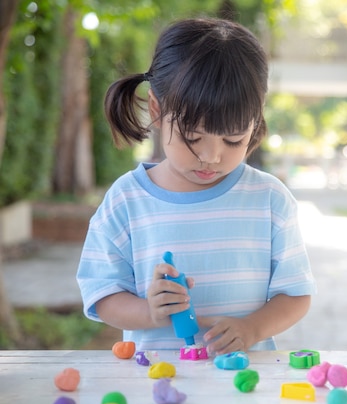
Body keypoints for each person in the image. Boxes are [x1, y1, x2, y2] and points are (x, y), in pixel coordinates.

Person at [76, 17, 315, 354]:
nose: (211, 156)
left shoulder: (269, 200)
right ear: (157, 111)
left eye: (233, 140)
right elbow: (102, 294)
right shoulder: (127, 200)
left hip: (244, 388)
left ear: (256, 120)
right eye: (192, 138)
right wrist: (151, 311)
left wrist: (252, 328)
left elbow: (296, 293)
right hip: (156, 383)